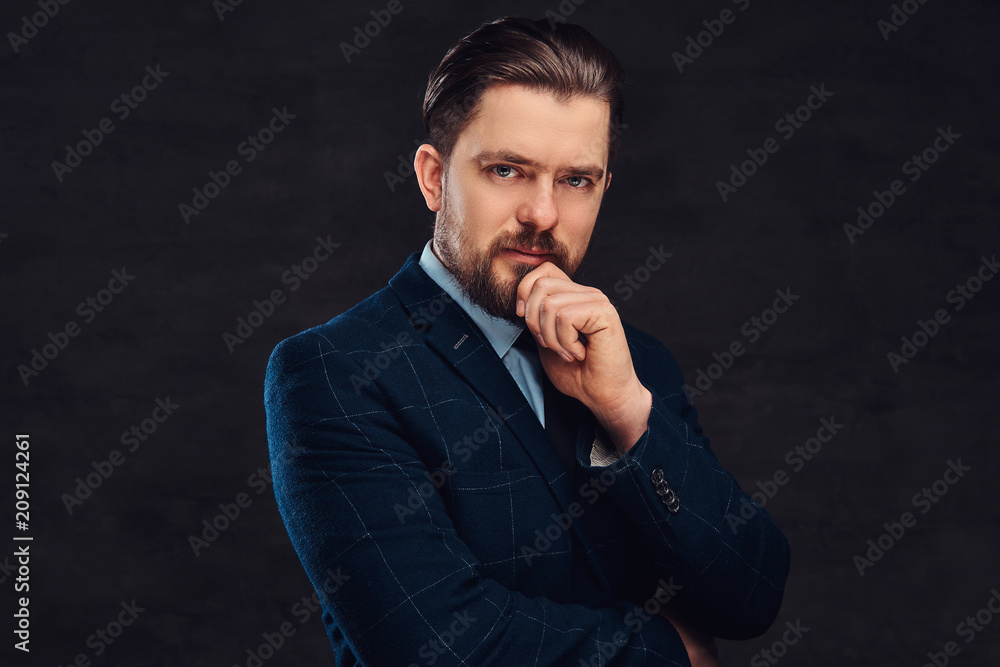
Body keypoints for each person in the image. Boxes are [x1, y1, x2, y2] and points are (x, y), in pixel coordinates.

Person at [264, 16, 790, 666]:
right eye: (508, 170)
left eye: (576, 180)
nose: (543, 213)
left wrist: (628, 414)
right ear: (434, 177)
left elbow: (754, 594)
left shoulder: (635, 361)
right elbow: (433, 645)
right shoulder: (335, 372)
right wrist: (669, 653)